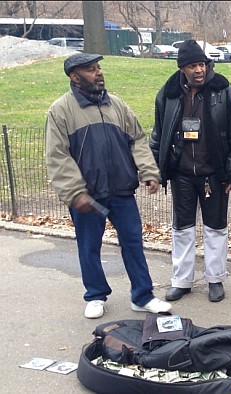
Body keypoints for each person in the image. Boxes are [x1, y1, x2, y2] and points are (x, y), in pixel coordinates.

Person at [45, 53, 172, 319]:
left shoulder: (117, 105)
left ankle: (143, 296)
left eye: (99, 68)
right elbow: (57, 156)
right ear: (74, 76)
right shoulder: (61, 110)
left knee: (133, 242)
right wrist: (75, 192)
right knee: (89, 246)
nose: (99, 73)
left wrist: (148, 171)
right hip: (87, 196)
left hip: (121, 190)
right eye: (91, 69)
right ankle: (95, 295)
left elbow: (137, 139)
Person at [150, 40, 231, 303]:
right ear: (182, 68)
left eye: (202, 64)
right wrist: (156, 171)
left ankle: (215, 279)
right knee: (182, 229)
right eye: (192, 66)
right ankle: (181, 281)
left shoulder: (222, 89)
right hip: (181, 173)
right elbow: (159, 133)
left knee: (216, 228)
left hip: (213, 173)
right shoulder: (168, 93)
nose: (199, 70)